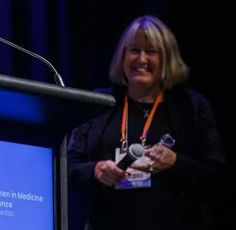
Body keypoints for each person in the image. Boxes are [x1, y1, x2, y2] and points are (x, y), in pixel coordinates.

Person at [67, 15, 225, 230]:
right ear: (122, 57)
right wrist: (96, 170)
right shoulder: (99, 105)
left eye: (151, 51)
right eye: (134, 50)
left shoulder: (191, 106)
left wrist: (176, 163)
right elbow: (66, 170)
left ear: (166, 58)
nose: (141, 59)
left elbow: (218, 177)